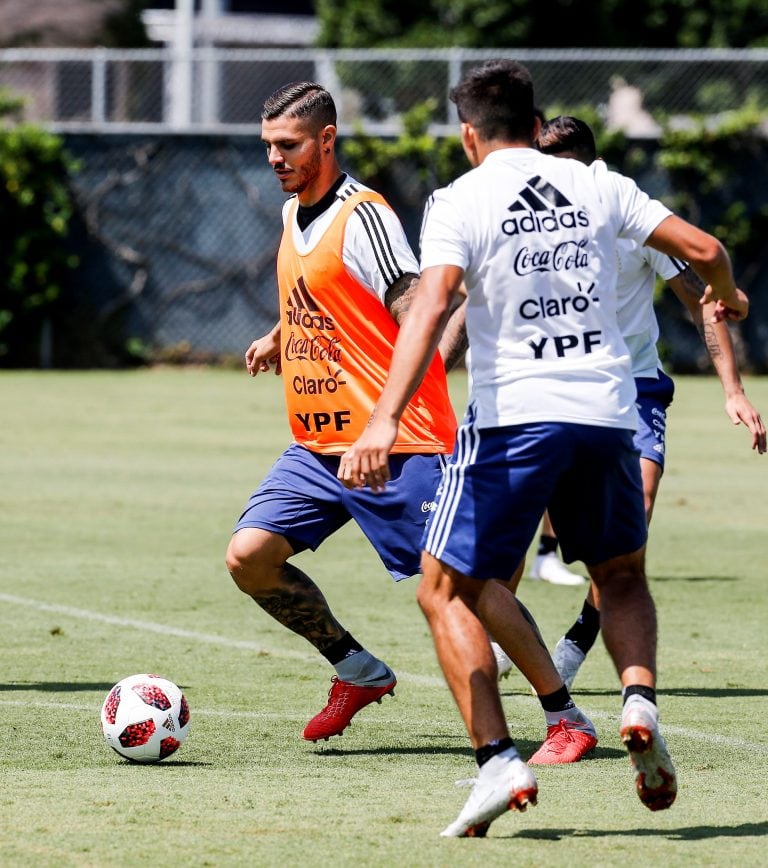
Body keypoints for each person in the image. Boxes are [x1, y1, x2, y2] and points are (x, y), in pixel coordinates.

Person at [338, 59, 749, 837]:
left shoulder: (460, 199)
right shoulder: (600, 184)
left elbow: (430, 305)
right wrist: (725, 292)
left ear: (468, 136)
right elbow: (702, 246)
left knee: (445, 590)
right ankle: (637, 701)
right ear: (536, 126)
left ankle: (497, 761)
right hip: (608, 411)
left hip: (514, 419)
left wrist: (386, 416)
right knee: (621, 575)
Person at [225, 81, 596, 760]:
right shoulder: (291, 215)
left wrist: (390, 417)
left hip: (400, 445)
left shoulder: (364, 215)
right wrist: (282, 332)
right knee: (249, 558)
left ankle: (563, 714)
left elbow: (411, 302)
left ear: (326, 141)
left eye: (288, 145)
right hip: (318, 445)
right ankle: (356, 670)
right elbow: (326, 290)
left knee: (471, 585)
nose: (274, 158)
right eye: (268, 146)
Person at [534, 116, 766, 690]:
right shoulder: (530, 216)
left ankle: (581, 636)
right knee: (523, 514)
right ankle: (501, 621)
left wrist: (733, 391)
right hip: (559, 389)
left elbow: (702, 299)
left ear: (586, 165)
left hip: (635, 389)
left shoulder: (633, 213)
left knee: (631, 521)